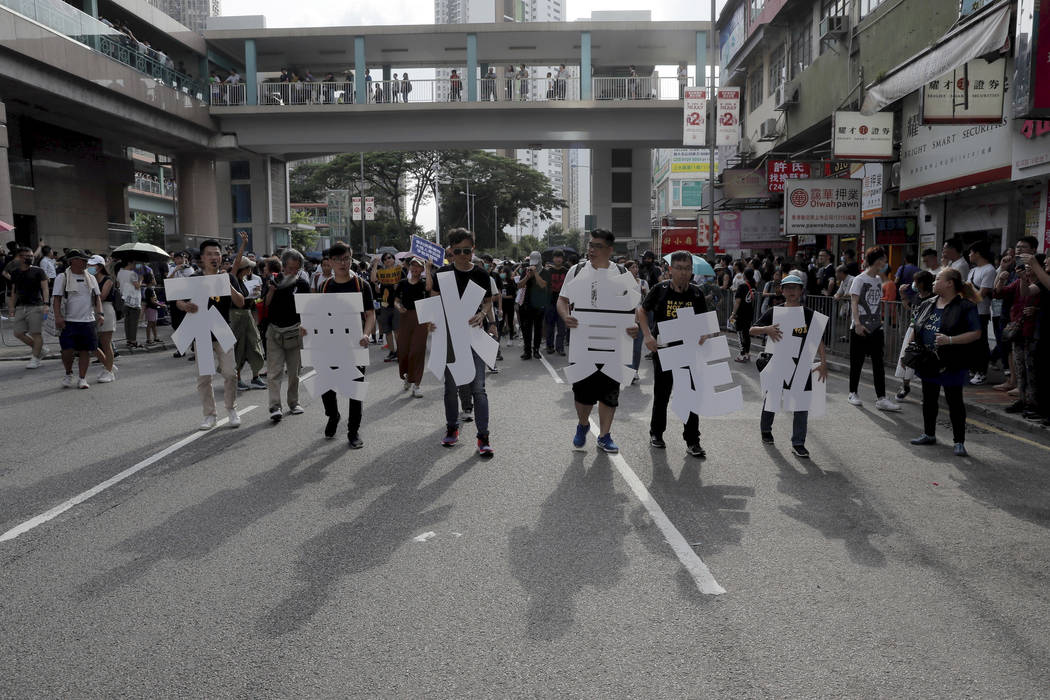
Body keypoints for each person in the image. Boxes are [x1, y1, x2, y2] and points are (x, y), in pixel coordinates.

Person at [557, 229, 640, 454]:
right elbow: (562, 300)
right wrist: (566, 317)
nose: (591, 250)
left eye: (597, 246)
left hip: (614, 344)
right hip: (583, 341)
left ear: (610, 250)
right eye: (590, 245)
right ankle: (583, 424)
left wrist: (635, 327)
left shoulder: (622, 273)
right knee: (582, 395)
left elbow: (634, 308)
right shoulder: (577, 271)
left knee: (609, 394)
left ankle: (604, 435)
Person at [427, 229, 496, 457]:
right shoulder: (442, 275)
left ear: (473, 250)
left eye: (468, 250)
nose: (463, 255)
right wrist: (431, 321)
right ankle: (452, 428)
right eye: (458, 251)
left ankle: (483, 437)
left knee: (479, 389)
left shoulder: (481, 274)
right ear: (450, 252)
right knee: (450, 388)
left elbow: (488, 302)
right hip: (449, 337)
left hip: (474, 336)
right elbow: (434, 303)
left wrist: (483, 315)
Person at [638, 251, 710, 458]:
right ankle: (656, 433)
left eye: (687, 268)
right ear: (670, 270)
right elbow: (641, 311)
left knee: (689, 394)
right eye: (678, 268)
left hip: (688, 350)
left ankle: (692, 440)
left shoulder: (696, 294)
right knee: (662, 393)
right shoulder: (659, 290)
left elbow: (704, 322)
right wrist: (647, 336)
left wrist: (705, 333)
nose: (683, 273)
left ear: (691, 271)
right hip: (664, 350)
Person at [750, 274, 829, 458]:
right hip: (778, 362)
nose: (792, 291)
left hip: (802, 365)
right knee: (772, 399)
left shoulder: (809, 314)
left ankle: (798, 442)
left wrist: (823, 363)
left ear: (801, 291)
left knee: (801, 405)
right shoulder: (774, 312)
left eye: (795, 288)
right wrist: (766, 329)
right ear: (782, 291)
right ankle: (766, 431)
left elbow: (819, 340)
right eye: (788, 288)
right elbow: (752, 330)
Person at [909, 268, 982, 456]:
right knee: (929, 399)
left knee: (954, 401)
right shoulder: (928, 303)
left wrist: (950, 340)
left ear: (950, 283)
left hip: (952, 361)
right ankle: (929, 434)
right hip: (928, 360)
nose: (933, 282)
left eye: (938, 279)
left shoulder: (966, 306)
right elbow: (916, 327)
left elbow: (976, 333)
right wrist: (908, 352)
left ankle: (959, 442)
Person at [174, 240, 244, 430]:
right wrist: (184, 305)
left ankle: (231, 409)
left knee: (230, 373)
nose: (215, 257)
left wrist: (227, 283)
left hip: (222, 329)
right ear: (202, 258)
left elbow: (241, 302)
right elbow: (178, 301)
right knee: (204, 377)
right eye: (210, 254)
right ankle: (209, 415)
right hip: (202, 331)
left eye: (217, 254)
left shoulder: (228, 277)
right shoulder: (194, 278)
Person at [318, 242, 375, 447]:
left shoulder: (361, 285)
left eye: (347, 259)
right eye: (339, 259)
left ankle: (353, 432)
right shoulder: (324, 286)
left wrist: (367, 334)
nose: (344, 263)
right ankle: (333, 416)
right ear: (330, 262)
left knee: (354, 390)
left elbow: (370, 314)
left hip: (355, 344)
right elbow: (319, 316)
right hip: (330, 344)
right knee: (325, 384)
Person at [847, 246, 900, 411]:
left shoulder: (878, 280)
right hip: (860, 326)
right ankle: (853, 393)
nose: (885, 262)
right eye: (884, 259)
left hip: (876, 327)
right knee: (857, 361)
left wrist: (880, 322)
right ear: (877, 260)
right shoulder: (859, 279)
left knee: (879, 363)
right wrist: (857, 323)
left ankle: (881, 398)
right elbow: (854, 302)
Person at [265, 248, 310, 423]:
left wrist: (306, 327)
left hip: (295, 331)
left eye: (295, 269)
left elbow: (307, 310)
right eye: (289, 268)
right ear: (283, 266)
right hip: (274, 331)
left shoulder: (302, 284)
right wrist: (271, 290)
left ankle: (293, 402)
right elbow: (266, 304)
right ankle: (275, 406)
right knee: (274, 371)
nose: (291, 272)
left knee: (294, 371)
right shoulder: (273, 281)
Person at [994, 255, 1042, 419]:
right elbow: (999, 293)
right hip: (1018, 329)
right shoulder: (1019, 281)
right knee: (1020, 367)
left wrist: (1037, 310)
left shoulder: (1042, 283)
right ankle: (1023, 399)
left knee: (1032, 370)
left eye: (1030, 266)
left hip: (1033, 332)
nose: (1026, 269)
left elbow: (1027, 294)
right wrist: (1001, 276)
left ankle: (1033, 402)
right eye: (1025, 266)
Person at [51, 250, 103, 389]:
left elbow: (97, 296)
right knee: (67, 351)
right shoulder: (62, 277)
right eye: (82, 260)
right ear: (72, 261)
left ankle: (82, 378)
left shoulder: (91, 277)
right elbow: (56, 299)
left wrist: (100, 313)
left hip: (87, 320)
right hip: (68, 321)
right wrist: (58, 317)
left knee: (85, 350)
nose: (86, 263)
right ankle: (68, 373)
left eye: (86, 260)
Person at [894, 270, 936, 401]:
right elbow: (910, 308)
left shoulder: (933, 299)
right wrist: (902, 294)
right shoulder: (917, 296)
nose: (913, 284)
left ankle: (927, 393)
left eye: (916, 281)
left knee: (924, 363)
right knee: (907, 358)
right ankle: (905, 386)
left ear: (922, 283)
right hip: (912, 331)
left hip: (926, 333)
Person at [6, 246, 49, 369]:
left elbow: (45, 288)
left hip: (36, 306)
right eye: (28, 256)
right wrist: (11, 307)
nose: (31, 258)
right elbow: (14, 291)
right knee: (18, 333)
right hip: (21, 306)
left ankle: (35, 359)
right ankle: (41, 349)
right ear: (20, 257)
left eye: (31, 256)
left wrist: (46, 304)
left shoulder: (38, 271)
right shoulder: (15, 272)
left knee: (36, 333)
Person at [394, 257, 429, 398]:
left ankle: (417, 385)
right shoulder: (402, 283)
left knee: (418, 351)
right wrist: (399, 307)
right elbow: (396, 301)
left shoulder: (424, 284)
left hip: (421, 319)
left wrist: (429, 267)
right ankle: (408, 376)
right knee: (403, 351)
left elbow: (429, 289)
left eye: (418, 266)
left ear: (421, 269)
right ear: (409, 268)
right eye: (412, 266)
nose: (415, 268)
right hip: (405, 318)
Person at [231, 255, 266, 391]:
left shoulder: (245, 280)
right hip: (236, 317)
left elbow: (247, 300)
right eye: (248, 267)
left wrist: (254, 295)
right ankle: (238, 378)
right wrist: (244, 243)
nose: (251, 269)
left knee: (254, 344)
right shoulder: (232, 279)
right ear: (243, 268)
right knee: (239, 347)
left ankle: (255, 376)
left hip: (247, 315)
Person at [965, 241, 996, 385]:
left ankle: (981, 372)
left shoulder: (989, 270)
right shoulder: (972, 270)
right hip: (969, 311)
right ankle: (972, 369)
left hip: (981, 312)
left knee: (980, 344)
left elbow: (981, 295)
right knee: (970, 343)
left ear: (978, 253)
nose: (969, 255)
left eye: (971, 252)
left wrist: (968, 297)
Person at [89, 255, 117, 382]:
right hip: (91, 311)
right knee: (92, 343)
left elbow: (103, 296)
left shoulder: (108, 280)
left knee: (106, 343)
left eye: (92, 265)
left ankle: (109, 371)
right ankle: (108, 365)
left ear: (100, 267)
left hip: (105, 310)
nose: (89, 267)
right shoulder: (89, 279)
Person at [517, 251, 549, 360]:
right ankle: (527, 351)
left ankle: (536, 350)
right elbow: (519, 285)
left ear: (540, 261)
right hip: (527, 304)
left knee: (538, 328)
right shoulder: (526, 270)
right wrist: (527, 276)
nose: (534, 265)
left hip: (539, 305)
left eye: (536, 263)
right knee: (527, 329)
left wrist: (535, 274)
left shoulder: (545, 272)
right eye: (532, 263)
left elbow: (543, 285)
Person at [371, 252, 402, 362]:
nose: (387, 260)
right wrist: (375, 264)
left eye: (389, 258)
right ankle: (392, 352)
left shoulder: (400, 270)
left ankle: (400, 352)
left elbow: (406, 282)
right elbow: (373, 279)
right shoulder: (381, 272)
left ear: (393, 259)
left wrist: (398, 286)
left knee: (397, 329)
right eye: (384, 259)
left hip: (397, 304)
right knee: (387, 330)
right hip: (385, 304)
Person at [544, 250, 569, 355]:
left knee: (561, 327)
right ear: (553, 258)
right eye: (556, 257)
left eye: (560, 257)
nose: (558, 259)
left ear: (562, 259)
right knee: (550, 326)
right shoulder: (548, 271)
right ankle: (550, 346)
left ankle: (560, 348)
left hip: (563, 302)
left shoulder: (567, 271)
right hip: (550, 302)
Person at [730, 268, 756, 362]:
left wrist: (733, 313)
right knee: (746, 334)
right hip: (749, 313)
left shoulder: (742, 286)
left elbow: (737, 302)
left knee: (740, 333)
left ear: (744, 275)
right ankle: (747, 354)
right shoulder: (753, 285)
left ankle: (742, 354)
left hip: (741, 314)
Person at [116, 259, 142, 348]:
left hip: (124, 298)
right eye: (134, 263)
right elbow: (137, 286)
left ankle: (128, 340)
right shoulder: (133, 273)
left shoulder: (120, 272)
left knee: (127, 321)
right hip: (134, 300)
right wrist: (141, 279)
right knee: (134, 321)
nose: (135, 265)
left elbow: (118, 285)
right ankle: (133, 341)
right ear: (129, 262)